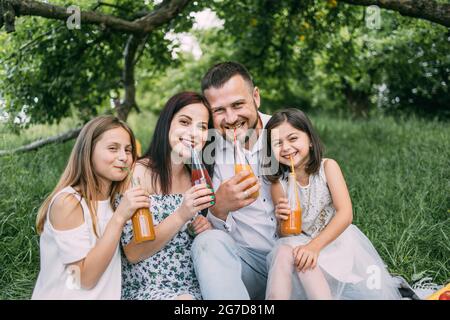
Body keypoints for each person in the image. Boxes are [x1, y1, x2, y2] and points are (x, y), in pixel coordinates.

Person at [264, 108, 402, 300]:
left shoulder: (327, 168)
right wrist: (282, 221)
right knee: (284, 252)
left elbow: (345, 214)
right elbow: (286, 234)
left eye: (293, 138)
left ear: (310, 140)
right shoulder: (279, 184)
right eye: (278, 143)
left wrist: (313, 247)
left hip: (334, 242)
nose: (286, 147)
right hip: (300, 244)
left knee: (303, 256)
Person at [32, 116, 146, 299]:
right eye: (112, 148)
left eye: (128, 150)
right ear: (88, 151)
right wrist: (119, 217)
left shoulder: (116, 200)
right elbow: (83, 279)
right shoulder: (68, 203)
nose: (123, 157)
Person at [191, 61, 276, 299]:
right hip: (246, 266)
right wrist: (218, 209)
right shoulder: (206, 150)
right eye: (219, 110)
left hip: (297, 259)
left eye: (238, 104)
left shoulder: (286, 132)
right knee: (207, 242)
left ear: (256, 97)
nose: (231, 118)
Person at [119, 92, 214, 300]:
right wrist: (181, 215)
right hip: (147, 291)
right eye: (185, 122)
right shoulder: (138, 174)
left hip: (195, 289)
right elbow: (133, 253)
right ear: (167, 123)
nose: (193, 133)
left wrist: (202, 228)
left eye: (202, 127)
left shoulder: (198, 180)